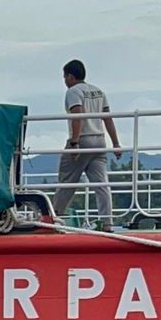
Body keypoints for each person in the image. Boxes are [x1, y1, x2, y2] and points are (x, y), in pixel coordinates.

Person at [53, 59, 123, 228]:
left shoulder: (73, 92)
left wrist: (75, 142)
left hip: (82, 139)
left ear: (70, 76)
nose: (64, 81)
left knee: (66, 182)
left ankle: (54, 219)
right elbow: (107, 118)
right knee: (101, 184)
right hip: (99, 141)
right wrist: (116, 143)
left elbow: (78, 115)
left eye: (65, 77)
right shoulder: (98, 91)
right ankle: (107, 222)